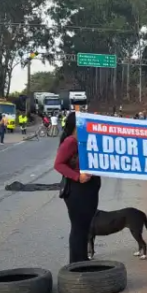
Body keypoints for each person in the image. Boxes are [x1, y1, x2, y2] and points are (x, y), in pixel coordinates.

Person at [54, 112, 102, 264]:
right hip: (77, 190)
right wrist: (77, 177)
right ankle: (75, 263)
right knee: (78, 227)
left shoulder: (87, 140)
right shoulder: (70, 142)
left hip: (90, 189)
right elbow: (58, 164)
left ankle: (82, 258)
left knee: (86, 225)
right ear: (76, 126)